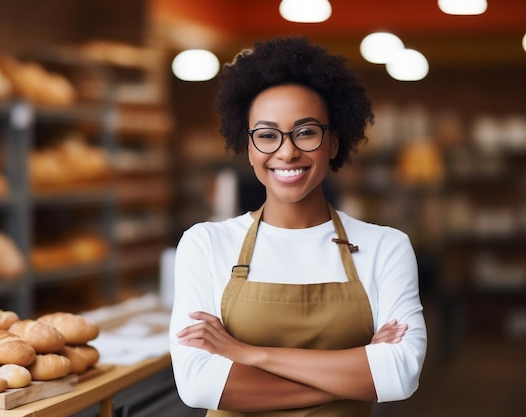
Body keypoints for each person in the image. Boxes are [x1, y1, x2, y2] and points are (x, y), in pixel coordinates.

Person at [169, 36, 427, 416]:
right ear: (249, 148)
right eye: (267, 135)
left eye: (305, 132)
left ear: (334, 142)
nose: (287, 151)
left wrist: (249, 355)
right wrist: (356, 373)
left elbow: (399, 376)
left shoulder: (386, 246)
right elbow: (199, 385)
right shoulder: (205, 243)